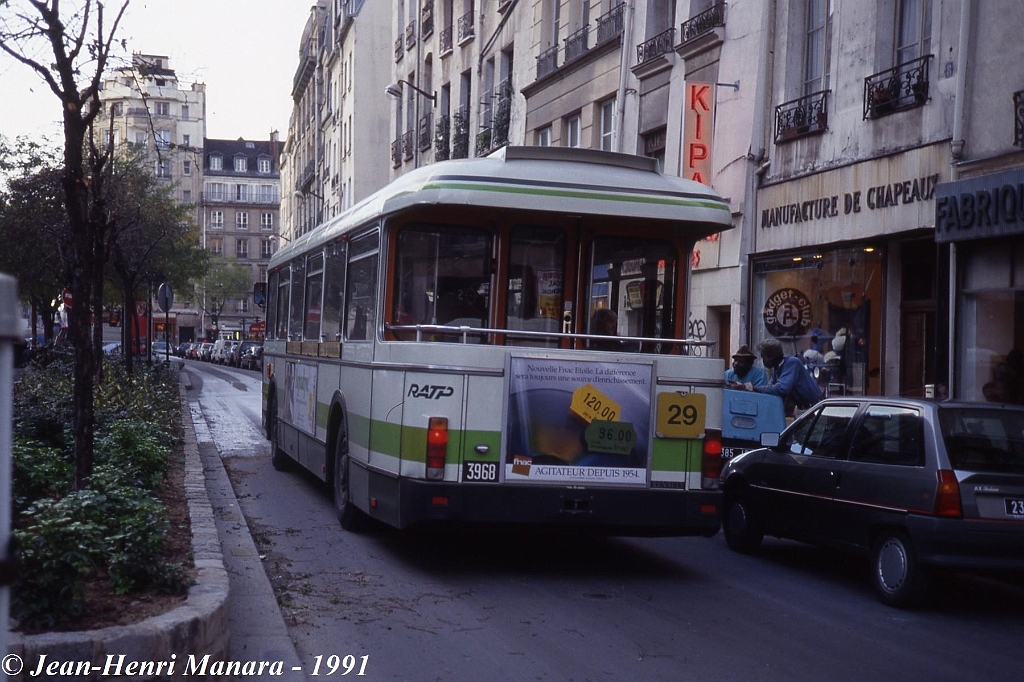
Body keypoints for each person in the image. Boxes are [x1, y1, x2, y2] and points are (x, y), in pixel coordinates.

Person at [752, 338, 823, 416]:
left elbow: (782, 388)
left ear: (771, 357)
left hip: (814, 409)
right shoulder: (776, 369)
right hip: (802, 409)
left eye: (763, 356)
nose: (762, 359)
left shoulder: (792, 363)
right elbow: (770, 387)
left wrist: (754, 388)